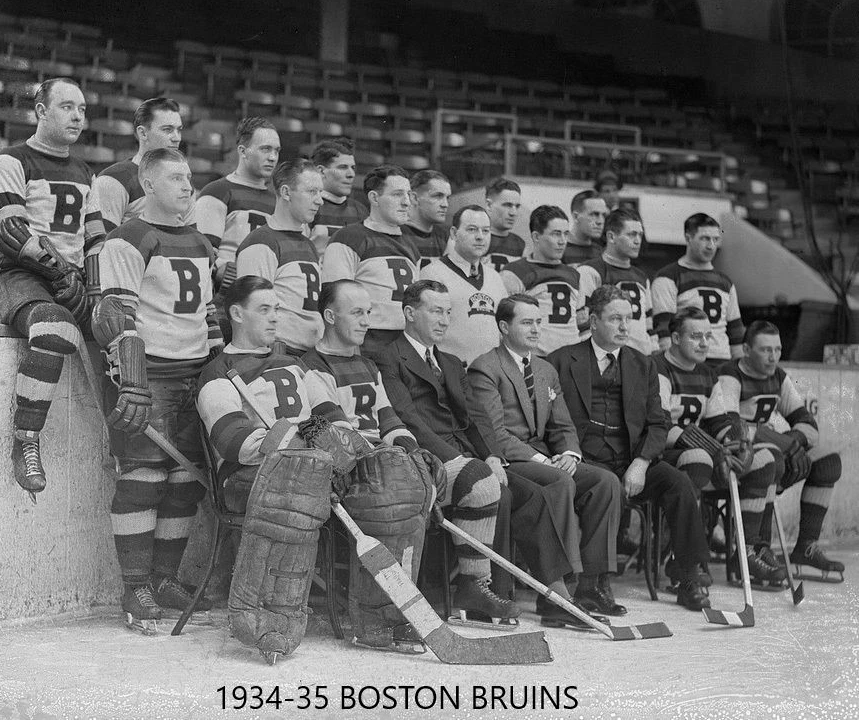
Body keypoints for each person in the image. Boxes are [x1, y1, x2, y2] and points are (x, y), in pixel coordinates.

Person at [197, 276, 437, 657]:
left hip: (312, 468)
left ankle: (380, 618)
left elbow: (334, 422)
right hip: (252, 479)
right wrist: (306, 442)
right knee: (296, 485)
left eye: (278, 309)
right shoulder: (218, 373)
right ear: (237, 314)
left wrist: (357, 449)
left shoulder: (294, 365)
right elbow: (238, 444)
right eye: (265, 310)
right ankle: (272, 621)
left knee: (391, 482)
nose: (275, 318)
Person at [302, 280, 520, 625]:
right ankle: (390, 611)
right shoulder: (311, 368)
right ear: (329, 316)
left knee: (480, 480)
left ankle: (472, 584)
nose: (365, 322)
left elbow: (393, 424)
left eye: (368, 313)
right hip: (353, 476)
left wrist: (413, 459)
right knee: (404, 493)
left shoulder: (368, 366)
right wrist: (397, 465)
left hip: (393, 466)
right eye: (356, 313)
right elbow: (342, 441)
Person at [92, 148, 222, 633]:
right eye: (175, 178)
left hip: (192, 377)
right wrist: (133, 379)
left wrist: (218, 373)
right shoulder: (128, 239)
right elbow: (116, 315)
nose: (188, 186)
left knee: (185, 484)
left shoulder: (201, 243)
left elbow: (208, 318)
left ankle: (165, 579)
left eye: (190, 177)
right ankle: (135, 586)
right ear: (147, 185)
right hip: (149, 375)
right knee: (142, 479)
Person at [548, 286, 712, 611]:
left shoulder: (644, 365)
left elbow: (658, 423)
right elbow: (549, 419)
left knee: (678, 484)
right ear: (593, 321)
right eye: (615, 319)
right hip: (586, 458)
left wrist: (641, 462)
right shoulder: (563, 360)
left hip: (630, 458)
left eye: (629, 319)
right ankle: (595, 583)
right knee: (605, 488)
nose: (625, 327)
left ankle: (689, 576)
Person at [468, 294, 627, 622]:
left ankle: (589, 586)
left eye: (538, 322)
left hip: (545, 458)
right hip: (510, 461)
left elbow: (563, 425)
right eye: (527, 322)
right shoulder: (486, 368)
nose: (536, 329)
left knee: (604, 482)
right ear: (503, 326)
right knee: (557, 481)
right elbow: (494, 435)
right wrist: (545, 461)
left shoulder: (544, 369)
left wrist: (569, 453)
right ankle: (557, 597)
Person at [0, 77, 93, 501]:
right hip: (18, 276)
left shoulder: (85, 171)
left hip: (71, 281)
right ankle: (25, 439)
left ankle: (130, 450)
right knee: (56, 328)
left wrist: (93, 289)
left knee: (124, 329)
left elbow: (95, 240)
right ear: (41, 111)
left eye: (82, 109)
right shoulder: (10, 160)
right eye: (66, 107)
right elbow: (11, 232)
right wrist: (58, 268)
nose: (78, 116)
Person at [656, 308, 784, 585]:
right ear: (675, 338)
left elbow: (717, 422)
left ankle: (747, 553)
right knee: (699, 458)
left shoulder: (707, 373)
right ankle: (684, 559)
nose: (705, 343)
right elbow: (661, 427)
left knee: (762, 460)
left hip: (701, 454)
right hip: (660, 455)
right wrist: (715, 448)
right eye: (696, 336)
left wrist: (738, 443)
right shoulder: (657, 368)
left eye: (708, 336)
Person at [718, 320, 845, 580]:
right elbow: (732, 428)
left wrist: (794, 441)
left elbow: (808, 424)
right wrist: (784, 442)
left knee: (828, 462)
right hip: (737, 458)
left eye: (777, 349)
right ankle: (749, 552)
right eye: (765, 350)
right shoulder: (730, 374)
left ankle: (805, 548)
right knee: (772, 458)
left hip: (770, 451)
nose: (773, 356)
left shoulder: (778, 375)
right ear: (745, 349)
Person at [83, 97, 185, 301]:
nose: (176, 138)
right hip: (130, 287)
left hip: (172, 286)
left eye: (179, 130)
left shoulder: (183, 181)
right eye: (167, 129)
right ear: (142, 133)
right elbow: (103, 249)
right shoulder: (114, 180)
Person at [322, 164, 419, 358]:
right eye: (397, 194)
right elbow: (333, 301)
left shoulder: (411, 245)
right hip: (367, 344)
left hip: (406, 345)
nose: (406, 202)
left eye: (408, 194)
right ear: (374, 198)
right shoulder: (349, 238)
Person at [233, 159, 323, 355]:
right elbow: (252, 315)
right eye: (311, 192)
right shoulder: (261, 243)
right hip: (280, 354)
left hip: (310, 354)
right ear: (285, 192)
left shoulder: (307, 243)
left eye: (320, 192)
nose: (319, 200)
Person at [193, 116, 278, 290]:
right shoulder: (217, 192)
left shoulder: (277, 202)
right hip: (225, 296)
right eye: (265, 149)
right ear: (243, 151)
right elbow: (202, 256)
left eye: (277, 151)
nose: (272, 157)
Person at [652, 213, 744, 366]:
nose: (711, 246)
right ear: (688, 238)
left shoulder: (725, 282)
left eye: (715, 239)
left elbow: (736, 333)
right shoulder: (668, 277)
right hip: (687, 362)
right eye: (705, 238)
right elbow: (664, 332)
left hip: (721, 360)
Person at [418, 204, 507, 365]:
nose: (480, 236)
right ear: (453, 233)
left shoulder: (495, 278)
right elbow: (423, 333)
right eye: (472, 229)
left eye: (485, 231)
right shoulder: (433, 274)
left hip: (490, 377)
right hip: (450, 376)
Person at [501, 205, 586, 357]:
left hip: (572, 359)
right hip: (536, 359)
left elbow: (581, 321)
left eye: (566, 234)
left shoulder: (574, 274)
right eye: (556, 234)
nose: (562, 241)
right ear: (536, 237)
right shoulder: (514, 272)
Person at [578, 208, 656, 354]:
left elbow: (648, 325)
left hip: (640, 358)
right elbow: (584, 324)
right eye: (631, 235)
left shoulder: (642, 276)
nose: (638, 241)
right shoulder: (590, 271)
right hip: (606, 357)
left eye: (640, 235)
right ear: (611, 237)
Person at [309, 137, 368, 254]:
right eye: (343, 167)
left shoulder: (361, 211)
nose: (351, 174)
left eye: (353, 168)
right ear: (321, 171)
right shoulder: (306, 205)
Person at [401, 169, 452, 269]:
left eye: (447, 198)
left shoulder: (446, 237)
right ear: (414, 198)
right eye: (438, 196)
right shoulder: (395, 235)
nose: (445, 204)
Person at [482, 177, 525, 272]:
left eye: (517, 206)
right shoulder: (475, 238)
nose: (513, 212)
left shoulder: (521, 245)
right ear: (489, 205)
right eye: (507, 205)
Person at [562, 190, 607, 266]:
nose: (600, 221)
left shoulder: (602, 254)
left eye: (603, 215)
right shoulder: (558, 248)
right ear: (576, 217)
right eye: (594, 214)